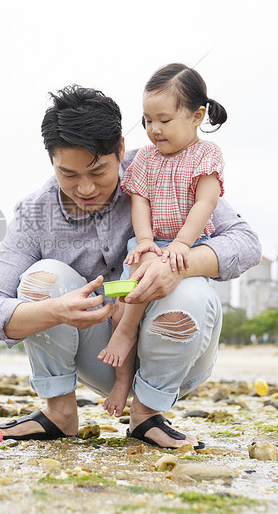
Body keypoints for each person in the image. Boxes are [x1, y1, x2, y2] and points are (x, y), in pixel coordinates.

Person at [0, 85, 260, 450]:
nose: (86, 187)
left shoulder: (162, 167)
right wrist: (53, 311)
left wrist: (178, 266)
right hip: (99, 357)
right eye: (69, 175)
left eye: (98, 170)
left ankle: (147, 414)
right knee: (41, 279)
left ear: (120, 149)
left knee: (188, 287)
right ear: (52, 162)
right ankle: (59, 413)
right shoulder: (34, 213)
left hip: (179, 351)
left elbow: (246, 242)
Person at [97, 63, 227, 417]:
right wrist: (143, 240)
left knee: (154, 299)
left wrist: (182, 244)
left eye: (164, 120)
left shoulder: (206, 155)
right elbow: (140, 200)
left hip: (185, 247)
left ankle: (130, 343)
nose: (154, 129)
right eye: (147, 120)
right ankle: (123, 379)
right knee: (121, 300)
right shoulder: (145, 159)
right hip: (150, 245)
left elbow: (206, 202)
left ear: (197, 115)